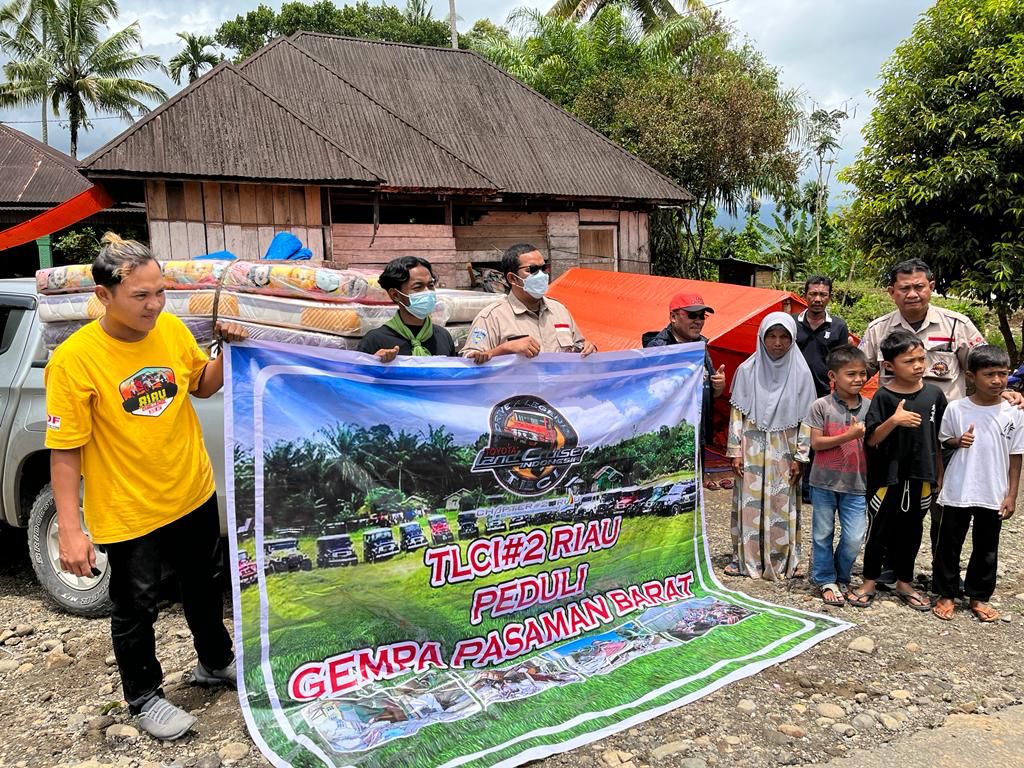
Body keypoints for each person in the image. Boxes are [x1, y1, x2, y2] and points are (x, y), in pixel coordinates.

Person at [45, 234, 244, 741]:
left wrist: (232, 351)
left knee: (204, 583)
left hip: (192, 489)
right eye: (140, 296)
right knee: (136, 605)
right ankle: (143, 696)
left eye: (160, 293)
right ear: (103, 295)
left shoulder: (172, 329)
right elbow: (65, 451)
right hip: (129, 506)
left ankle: (215, 662)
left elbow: (200, 383)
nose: (154, 305)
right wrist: (71, 530)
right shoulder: (75, 359)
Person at [848, 331, 947, 611]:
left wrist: (939, 473)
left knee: (912, 530)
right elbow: (872, 439)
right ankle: (869, 580)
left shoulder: (934, 395)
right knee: (879, 529)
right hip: (887, 477)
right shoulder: (883, 395)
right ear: (889, 365)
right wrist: (895, 420)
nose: (918, 365)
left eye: (921, 358)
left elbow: (938, 437)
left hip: (922, 475)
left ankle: (905, 581)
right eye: (909, 361)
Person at [932, 346, 1024, 622]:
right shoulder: (957, 409)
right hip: (959, 487)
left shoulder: (1014, 412)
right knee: (949, 542)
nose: (997, 380)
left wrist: (1012, 494)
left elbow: (1016, 455)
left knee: (987, 546)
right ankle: (946, 593)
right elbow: (942, 442)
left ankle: (979, 596)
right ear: (971, 376)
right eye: (990, 374)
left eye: (1003, 374)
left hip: (993, 490)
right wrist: (957, 442)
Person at [725, 312, 815, 580]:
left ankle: (782, 559)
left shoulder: (801, 373)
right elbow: (736, 415)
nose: (777, 343)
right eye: (771, 336)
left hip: (784, 448)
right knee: (749, 504)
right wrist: (735, 451)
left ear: (792, 339)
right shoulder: (746, 370)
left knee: (781, 502)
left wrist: (800, 456)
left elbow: (807, 420)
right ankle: (747, 559)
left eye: (784, 337)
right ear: (761, 338)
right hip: (751, 445)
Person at [805, 345, 871, 606]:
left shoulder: (870, 406)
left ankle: (842, 574)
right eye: (851, 374)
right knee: (822, 533)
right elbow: (816, 443)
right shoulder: (821, 406)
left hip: (857, 483)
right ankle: (825, 578)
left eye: (862, 374)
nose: (858, 379)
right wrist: (849, 436)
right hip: (823, 482)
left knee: (854, 536)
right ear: (833, 377)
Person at [461, 243, 596, 362]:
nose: (541, 275)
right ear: (513, 278)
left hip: (559, 390)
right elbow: (470, 365)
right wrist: (505, 349)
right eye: (533, 270)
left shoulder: (560, 310)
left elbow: (579, 347)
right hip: (517, 391)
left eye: (544, 268)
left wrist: (588, 348)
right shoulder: (491, 317)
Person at [643, 292, 727, 446]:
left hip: (698, 436)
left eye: (702, 316)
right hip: (669, 439)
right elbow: (649, 395)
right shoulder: (658, 349)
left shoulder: (701, 346)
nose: (698, 321)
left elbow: (709, 390)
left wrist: (718, 386)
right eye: (692, 315)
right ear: (673, 317)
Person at [357, 256, 457, 361]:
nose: (427, 292)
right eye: (418, 287)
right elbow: (359, 375)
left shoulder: (443, 337)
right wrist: (373, 363)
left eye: (430, 285)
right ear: (395, 295)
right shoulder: (375, 340)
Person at [794, 276, 850, 398]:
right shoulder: (792, 323)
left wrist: (838, 392)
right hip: (792, 389)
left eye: (823, 295)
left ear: (830, 297)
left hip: (823, 393)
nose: (817, 299)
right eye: (813, 294)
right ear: (805, 295)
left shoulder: (838, 326)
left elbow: (841, 362)